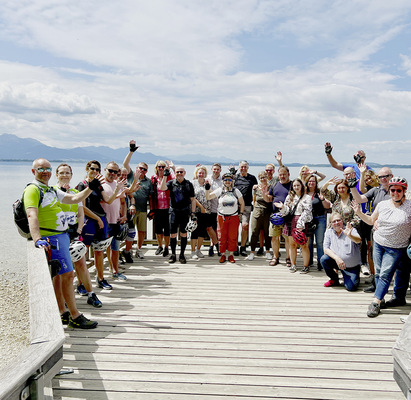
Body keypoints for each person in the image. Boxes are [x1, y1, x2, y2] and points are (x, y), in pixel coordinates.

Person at [24, 158, 98, 329]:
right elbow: (31, 215)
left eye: (47, 168)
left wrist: (89, 188)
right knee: (68, 276)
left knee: (65, 276)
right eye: (40, 169)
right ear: (33, 171)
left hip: (62, 236)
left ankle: (64, 313)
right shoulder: (32, 190)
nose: (45, 171)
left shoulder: (49, 189)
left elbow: (73, 198)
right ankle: (74, 315)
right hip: (53, 239)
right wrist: (37, 239)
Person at [352, 177, 411, 318]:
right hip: (379, 243)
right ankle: (392, 298)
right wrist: (359, 212)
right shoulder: (383, 205)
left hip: (397, 246)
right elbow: (372, 221)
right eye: (392, 190)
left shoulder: (409, 207)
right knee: (378, 272)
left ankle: (376, 302)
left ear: (404, 191)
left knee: (385, 274)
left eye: (398, 190)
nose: (395, 193)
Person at [54, 163, 102, 308]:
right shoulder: (53, 191)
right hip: (59, 234)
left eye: (67, 173)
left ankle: (90, 294)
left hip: (74, 233)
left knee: (81, 264)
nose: (64, 175)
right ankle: (63, 301)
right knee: (63, 269)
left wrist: (79, 230)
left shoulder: (75, 192)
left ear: (72, 175)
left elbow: (80, 214)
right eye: (61, 173)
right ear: (56, 175)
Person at [349, 167, 393, 292]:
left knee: (392, 260)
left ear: (391, 176)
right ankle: (376, 284)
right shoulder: (376, 190)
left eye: (386, 176)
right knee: (376, 257)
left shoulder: (395, 190)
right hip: (377, 230)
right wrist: (352, 187)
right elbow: (360, 199)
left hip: (392, 231)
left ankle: (396, 289)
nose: (383, 179)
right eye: (380, 177)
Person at [76, 160, 115, 291]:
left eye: (98, 169)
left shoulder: (99, 185)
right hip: (89, 221)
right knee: (83, 253)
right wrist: (97, 218)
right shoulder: (82, 185)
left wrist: (118, 191)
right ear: (87, 169)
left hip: (100, 220)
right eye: (93, 168)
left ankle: (100, 279)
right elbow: (82, 208)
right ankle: (81, 284)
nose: (95, 171)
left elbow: (108, 200)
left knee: (99, 251)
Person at [123, 140, 154, 259]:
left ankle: (139, 250)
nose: (142, 170)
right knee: (129, 232)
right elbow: (125, 164)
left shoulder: (149, 182)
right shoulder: (131, 175)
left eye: (145, 169)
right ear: (137, 168)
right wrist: (131, 152)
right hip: (130, 209)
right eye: (141, 168)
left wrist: (152, 210)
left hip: (142, 210)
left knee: (141, 232)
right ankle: (128, 250)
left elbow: (150, 197)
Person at [275, 178, 313, 273]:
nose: (296, 187)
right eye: (294, 186)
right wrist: (282, 208)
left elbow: (307, 211)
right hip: (291, 221)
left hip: (303, 222)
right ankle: (293, 265)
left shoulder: (307, 197)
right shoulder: (289, 197)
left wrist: (300, 224)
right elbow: (287, 211)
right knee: (292, 244)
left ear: (302, 186)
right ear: (292, 187)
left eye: (298, 185)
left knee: (304, 244)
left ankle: (306, 266)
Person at [205, 172, 245, 263]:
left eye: (229, 180)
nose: (227, 181)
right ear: (223, 181)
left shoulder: (236, 191)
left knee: (232, 236)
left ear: (232, 181)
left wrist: (241, 213)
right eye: (226, 180)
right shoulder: (220, 190)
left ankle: (231, 255)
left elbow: (242, 203)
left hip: (233, 217)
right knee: (222, 236)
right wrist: (207, 188)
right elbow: (208, 197)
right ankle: (222, 254)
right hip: (221, 217)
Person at [160, 166, 196, 264]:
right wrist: (164, 176)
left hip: (185, 212)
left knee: (184, 234)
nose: (179, 173)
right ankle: (173, 254)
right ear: (174, 173)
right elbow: (162, 188)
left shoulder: (189, 184)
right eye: (177, 172)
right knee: (173, 234)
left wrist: (193, 213)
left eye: (181, 172)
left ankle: (182, 255)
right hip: (173, 211)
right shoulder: (171, 183)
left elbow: (193, 200)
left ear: (184, 173)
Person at [100, 161, 128, 280]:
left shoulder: (118, 183)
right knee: (100, 250)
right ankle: (100, 275)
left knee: (115, 248)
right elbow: (103, 201)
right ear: (105, 170)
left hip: (116, 220)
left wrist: (124, 215)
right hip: (103, 222)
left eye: (115, 172)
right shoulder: (100, 184)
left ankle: (115, 271)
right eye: (110, 170)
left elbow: (123, 202)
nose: (112, 173)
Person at [321, 213, 362, 291]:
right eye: (334, 221)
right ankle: (334, 279)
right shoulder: (328, 232)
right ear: (331, 224)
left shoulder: (350, 230)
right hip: (337, 263)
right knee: (324, 259)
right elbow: (325, 249)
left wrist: (350, 235)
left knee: (351, 287)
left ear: (342, 221)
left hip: (351, 267)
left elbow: (358, 240)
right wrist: (337, 258)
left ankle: (354, 276)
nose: (336, 223)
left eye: (338, 220)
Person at [262, 166, 292, 267]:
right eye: (280, 175)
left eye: (284, 174)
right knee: (274, 237)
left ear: (288, 174)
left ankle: (288, 258)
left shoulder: (293, 185)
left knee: (288, 238)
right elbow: (269, 199)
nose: (282, 176)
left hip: (288, 216)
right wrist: (264, 193)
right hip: (275, 216)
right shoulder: (275, 185)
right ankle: (275, 257)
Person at [305, 174, 331, 270]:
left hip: (320, 219)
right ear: (307, 182)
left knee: (320, 242)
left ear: (316, 183)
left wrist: (322, 199)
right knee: (309, 242)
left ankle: (320, 262)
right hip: (307, 220)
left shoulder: (319, 192)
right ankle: (309, 261)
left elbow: (328, 206)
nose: (311, 183)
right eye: (310, 181)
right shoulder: (304, 193)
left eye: (313, 181)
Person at [151, 160, 175, 257]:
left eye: (162, 167)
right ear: (156, 168)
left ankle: (166, 247)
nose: (161, 169)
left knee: (167, 229)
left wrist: (173, 168)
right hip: (157, 207)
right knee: (158, 229)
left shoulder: (170, 177)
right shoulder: (153, 178)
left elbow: (179, 177)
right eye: (159, 167)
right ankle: (159, 246)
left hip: (168, 207)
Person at [233, 161, 258, 256]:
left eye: (245, 167)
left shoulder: (252, 178)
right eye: (241, 167)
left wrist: (254, 202)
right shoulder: (235, 177)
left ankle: (243, 247)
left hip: (247, 205)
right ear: (239, 167)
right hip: (235, 206)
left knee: (245, 226)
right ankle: (234, 247)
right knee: (235, 227)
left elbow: (255, 192)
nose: (243, 168)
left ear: (248, 168)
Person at [247, 171, 272, 261]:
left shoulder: (270, 187)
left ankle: (268, 251)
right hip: (257, 212)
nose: (262, 179)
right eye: (261, 178)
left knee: (267, 233)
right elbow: (254, 201)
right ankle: (252, 252)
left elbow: (270, 199)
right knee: (254, 232)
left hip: (267, 212)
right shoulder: (255, 188)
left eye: (264, 177)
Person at [191, 165, 211, 259]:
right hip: (196, 211)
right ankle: (193, 251)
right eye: (200, 172)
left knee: (202, 232)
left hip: (206, 211)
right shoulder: (193, 183)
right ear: (196, 173)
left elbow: (209, 196)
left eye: (203, 173)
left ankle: (198, 250)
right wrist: (201, 207)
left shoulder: (207, 184)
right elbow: (192, 198)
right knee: (194, 231)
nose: (201, 174)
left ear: (205, 174)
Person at [206, 163, 222, 257]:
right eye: (214, 169)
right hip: (208, 208)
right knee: (209, 228)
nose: (216, 171)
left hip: (218, 208)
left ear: (220, 170)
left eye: (218, 169)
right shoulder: (207, 179)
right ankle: (214, 245)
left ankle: (213, 246)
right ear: (211, 169)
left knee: (217, 230)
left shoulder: (222, 181)